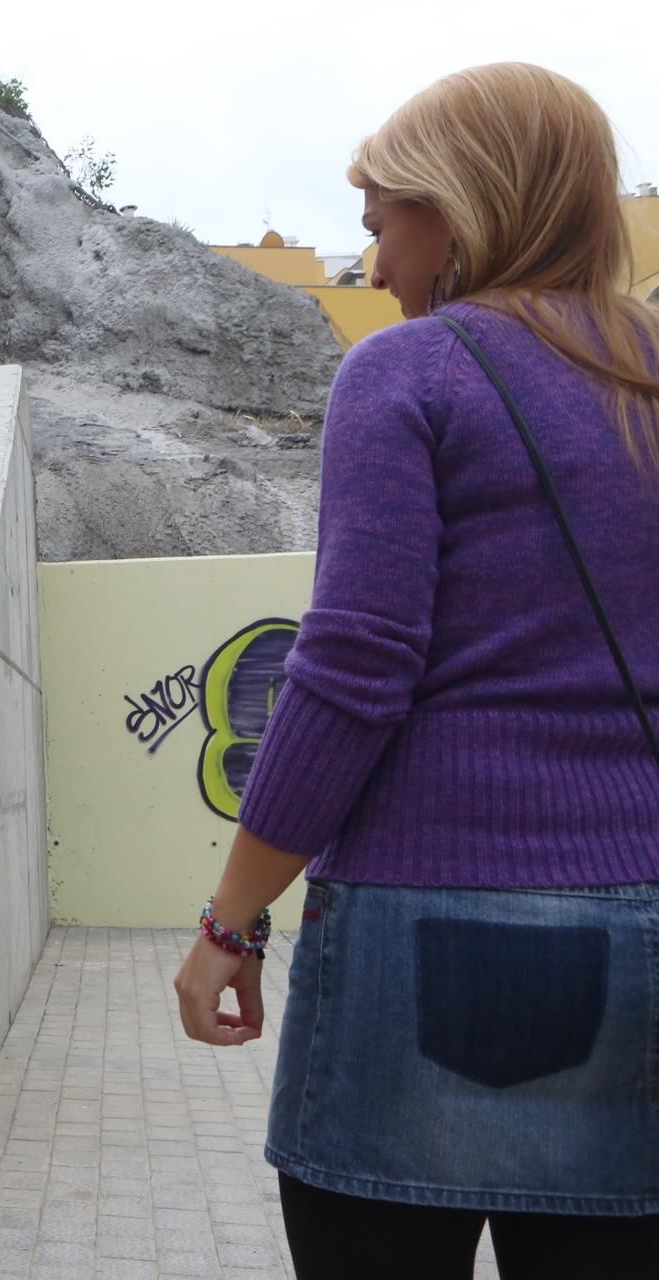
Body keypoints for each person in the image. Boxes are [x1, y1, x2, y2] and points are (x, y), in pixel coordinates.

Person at [171, 63, 659, 1279]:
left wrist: (231, 918)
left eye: (383, 221)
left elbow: (352, 666)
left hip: (425, 921)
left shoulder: (413, 372)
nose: (375, 265)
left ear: (460, 206)